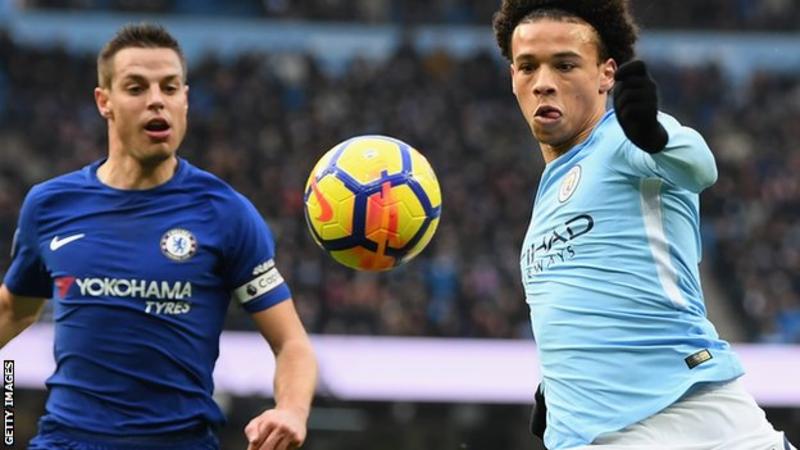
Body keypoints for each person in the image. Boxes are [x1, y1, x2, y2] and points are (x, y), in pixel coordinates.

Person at [491, 1, 797, 449]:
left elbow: (698, 165)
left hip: (687, 418)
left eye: (565, 65)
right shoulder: (548, 193)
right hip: (586, 436)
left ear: (606, 74)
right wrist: (559, 388)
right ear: (513, 78)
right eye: (527, 67)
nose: (544, 84)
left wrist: (653, 134)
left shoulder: (622, 141)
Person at [0, 23, 317, 450]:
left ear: (185, 99)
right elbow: (14, 309)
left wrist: (292, 410)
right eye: (136, 87)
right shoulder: (50, 204)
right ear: (104, 101)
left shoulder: (226, 213)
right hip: (66, 441)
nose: (156, 101)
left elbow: (291, 343)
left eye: (169, 88)